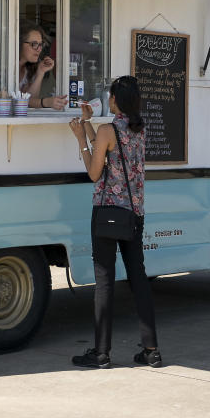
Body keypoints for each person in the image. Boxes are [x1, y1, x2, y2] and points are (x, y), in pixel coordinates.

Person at [68, 75, 161, 368]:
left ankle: (101, 353)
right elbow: (109, 152)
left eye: (110, 96)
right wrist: (88, 124)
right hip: (134, 215)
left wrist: (81, 138)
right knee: (139, 280)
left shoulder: (109, 130)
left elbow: (95, 173)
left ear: (114, 101)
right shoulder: (139, 128)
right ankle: (151, 350)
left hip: (108, 213)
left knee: (105, 282)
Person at [19, 21, 66, 110]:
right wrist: (47, 102)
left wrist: (40, 72)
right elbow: (14, 102)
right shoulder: (2, 67)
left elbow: (28, 101)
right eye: (34, 44)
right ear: (19, 43)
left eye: (41, 45)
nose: (39, 49)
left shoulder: (27, 70)